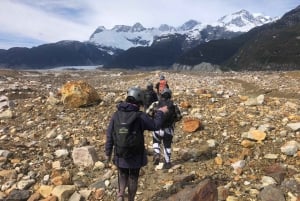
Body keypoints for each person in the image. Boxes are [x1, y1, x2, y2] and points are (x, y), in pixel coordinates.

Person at [105, 87, 168, 201]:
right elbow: (155, 126)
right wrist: (160, 112)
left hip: (120, 153)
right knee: (133, 177)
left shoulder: (116, 114)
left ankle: (120, 195)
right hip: (136, 154)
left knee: (122, 174)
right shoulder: (140, 116)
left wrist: (107, 153)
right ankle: (131, 199)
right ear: (139, 100)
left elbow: (109, 134)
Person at [146, 88, 182, 169]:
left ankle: (157, 154)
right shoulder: (174, 105)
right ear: (170, 95)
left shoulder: (156, 103)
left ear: (161, 95)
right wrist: (173, 121)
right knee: (167, 145)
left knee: (156, 141)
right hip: (168, 129)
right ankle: (167, 163)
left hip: (157, 128)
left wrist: (154, 119)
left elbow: (148, 113)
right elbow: (179, 116)